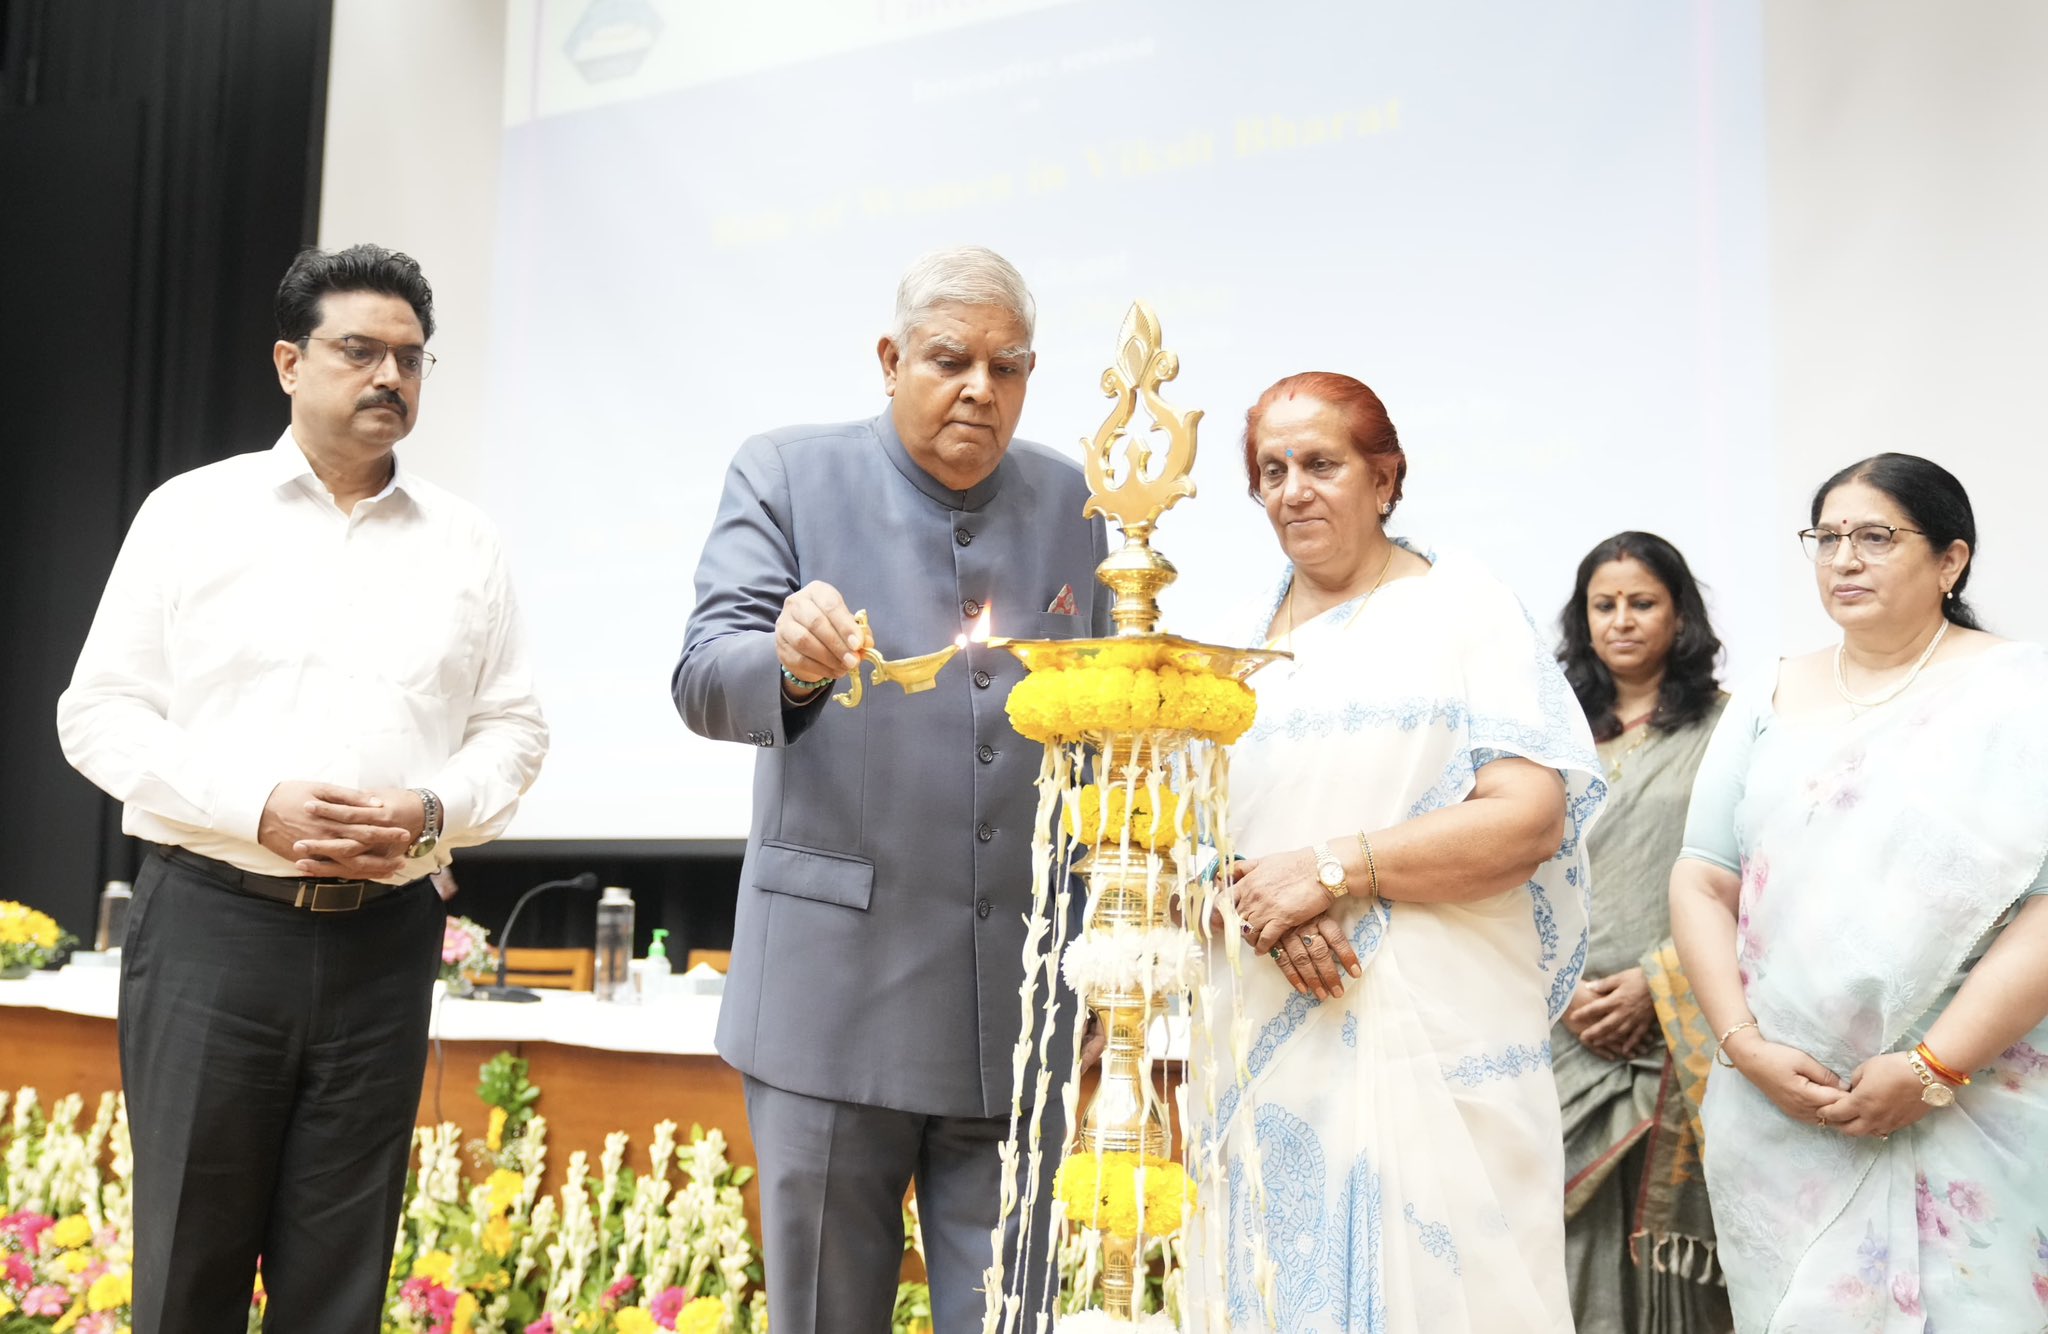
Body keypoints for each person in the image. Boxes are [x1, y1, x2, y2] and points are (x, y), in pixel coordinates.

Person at [55, 244, 548, 1334]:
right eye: (359, 350)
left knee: (340, 1286)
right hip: (215, 926)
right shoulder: (192, 513)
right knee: (190, 1267)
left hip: (384, 941)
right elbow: (96, 713)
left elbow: (512, 729)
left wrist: (432, 811)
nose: (390, 377)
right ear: (289, 362)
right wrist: (254, 803)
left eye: (411, 359)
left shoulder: (470, 543)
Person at [672, 246, 1111, 1334]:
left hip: (1021, 1013)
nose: (979, 387)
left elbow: (1106, 739)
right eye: (949, 358)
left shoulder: (1078, 502)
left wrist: (1103, 951)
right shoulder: (784, 472)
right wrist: (792, 661)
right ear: (888, 357)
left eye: (1005, 366)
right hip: (831, 1006)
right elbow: (701, 674)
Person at [1199, 371, 1602, 1333]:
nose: (1293, 488)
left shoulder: (1463, 610)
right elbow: (1203, 847)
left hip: (1443, 1042)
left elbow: (1526, 817)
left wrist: (1332, 870)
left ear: (1385, 480)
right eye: (1272, 470)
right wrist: (1257, 901)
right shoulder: (1232, 655)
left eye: (1322, 463)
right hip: (1271, 1040)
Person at [1670, 454, 2048, 1332]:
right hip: (1784, 1107)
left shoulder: (2020, 694)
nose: (1844, 558)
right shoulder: (1768, 690)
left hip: (1976, 1096)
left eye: (1876, 536)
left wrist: (1933, 1067)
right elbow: (1701, 875)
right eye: (1827, 537)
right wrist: (1746, 1046)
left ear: (1951, 561)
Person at [1552, 532, 1733, 1334]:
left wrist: (1661, 983)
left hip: (1684, 1025)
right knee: (1567, 1250)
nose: (1622, 620)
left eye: (1643, 602)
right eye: (1605, 605)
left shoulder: (1730, 731)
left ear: (1679, 615)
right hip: (1561, 1023)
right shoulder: (1548, 739)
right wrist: (1557, 989)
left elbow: (1758, 879)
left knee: (1674, 1263)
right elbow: (1518, 878)